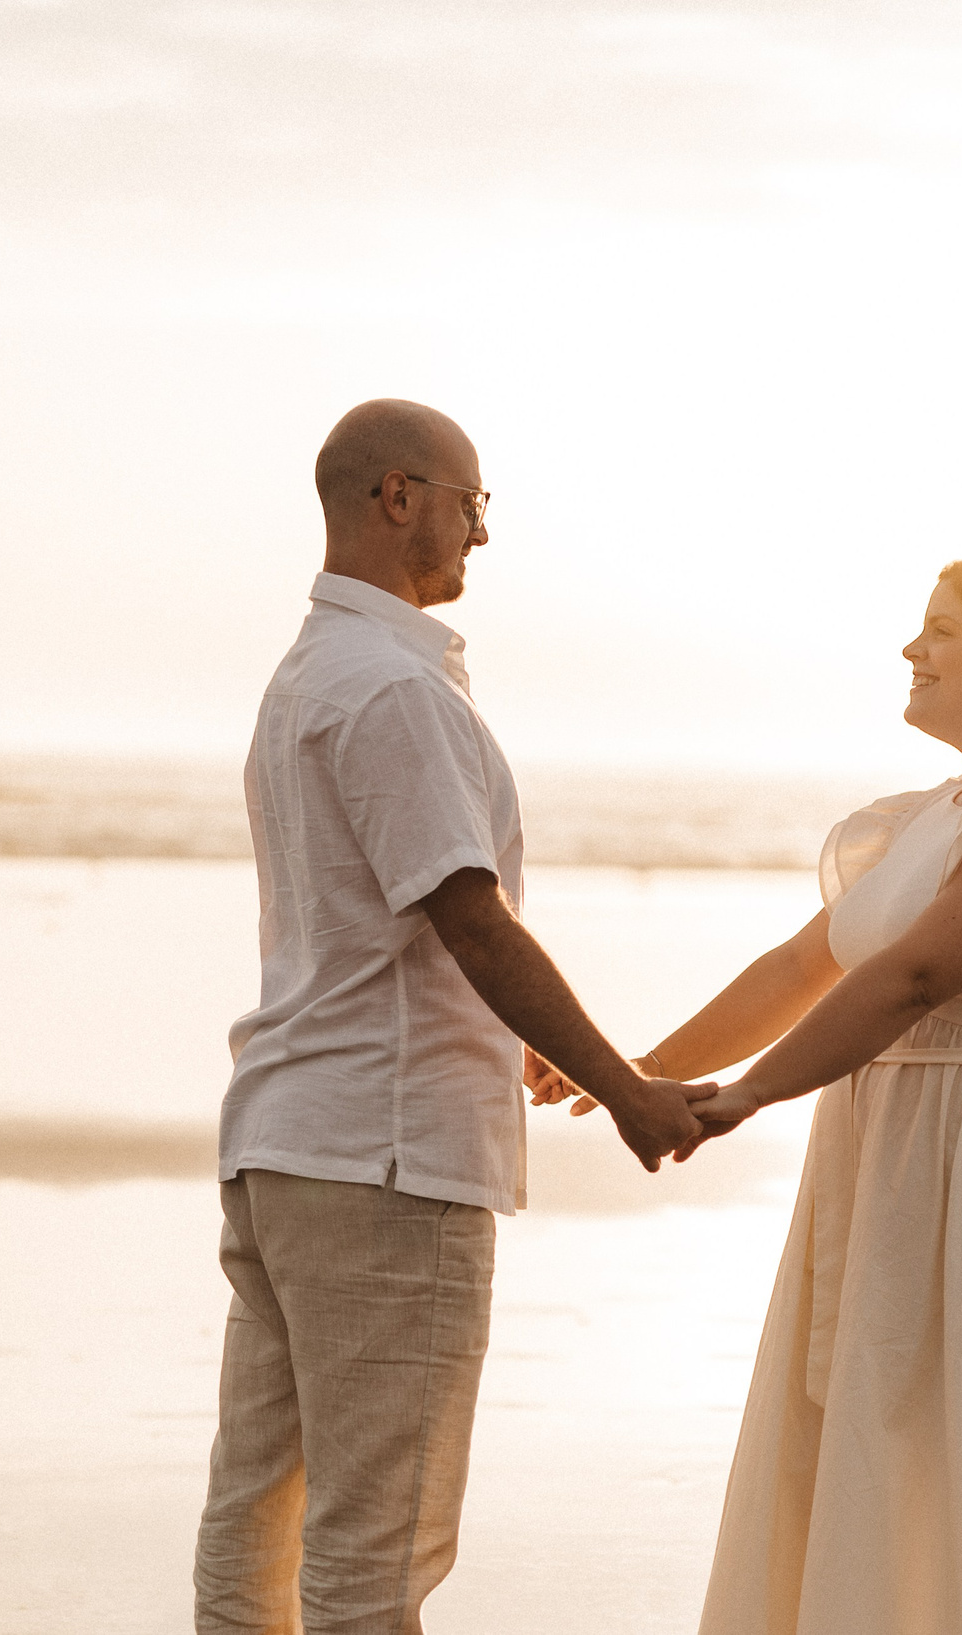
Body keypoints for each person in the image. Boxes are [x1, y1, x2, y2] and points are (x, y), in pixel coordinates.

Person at [558, 557, 962, 1635]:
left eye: (939, 631)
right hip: (890, 1159)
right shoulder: (921, 821)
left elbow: (912, 979)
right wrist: (641, 1068)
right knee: (859, 1455)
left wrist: (746, 1096)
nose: (910, 650)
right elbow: (805, 967)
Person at [197, 398, 715, 1635]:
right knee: (376, 1551)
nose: (481, 536)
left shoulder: (312, 673)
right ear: (398, 497)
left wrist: (523, 1040)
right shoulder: (391, 690)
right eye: (472, 505)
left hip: (292, 1146)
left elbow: (389, 923)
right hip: (387, 1161)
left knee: (255, 1527)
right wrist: (628, 1088)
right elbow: (466, 917)